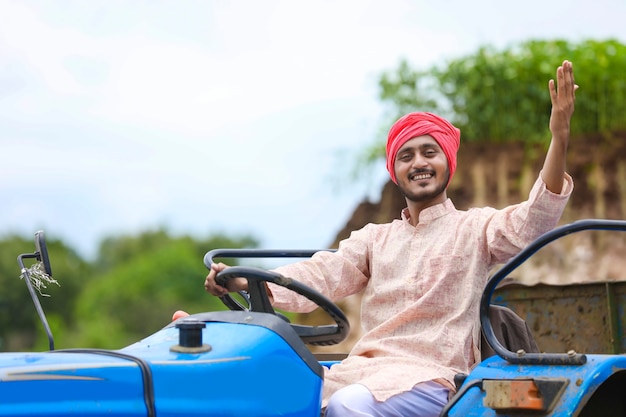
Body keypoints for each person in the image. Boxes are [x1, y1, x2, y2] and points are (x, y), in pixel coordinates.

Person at [204, 60, 577, 417]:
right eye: (406, 156)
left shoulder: (475, 228)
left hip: (432, 375)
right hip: (362, 372)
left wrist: (558, 138)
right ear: (394, 171)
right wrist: (243, 279)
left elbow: (534, 220)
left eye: (430, 152)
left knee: (349, 406)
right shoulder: (375, 239)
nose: (419, 163)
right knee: (264, 392)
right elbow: (322, 273)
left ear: (448, 162)